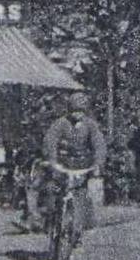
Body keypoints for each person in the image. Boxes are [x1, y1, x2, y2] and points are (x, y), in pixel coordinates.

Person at [22, 91, 105, 233]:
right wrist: (52, 161)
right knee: (40, 185)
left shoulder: (90, 125)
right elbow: (50, 141)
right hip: (62, 164)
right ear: (69, 110)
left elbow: (99, 144)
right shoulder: (60, 123)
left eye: (81, 111)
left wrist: (97, 164)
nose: (78, 114)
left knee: (84, 194)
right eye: (74, 110)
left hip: (82, 166)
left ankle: (81, 227)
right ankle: (35, 217)